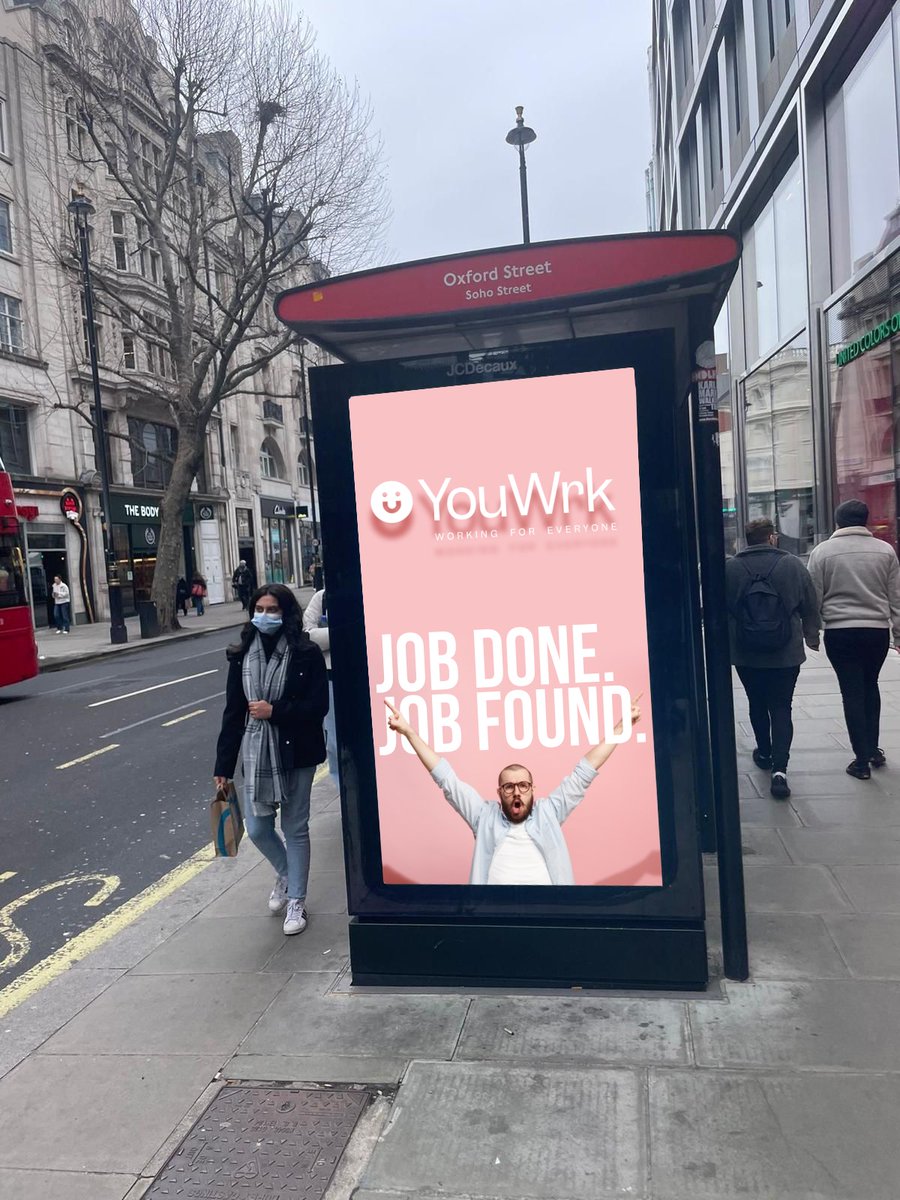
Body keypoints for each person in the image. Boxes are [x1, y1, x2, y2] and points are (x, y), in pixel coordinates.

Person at [384, 696, 641, 885]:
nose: (517, 792)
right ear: (499, 793)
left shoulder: (549, 812)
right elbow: (446, 779)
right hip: (495, 918)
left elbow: (585, 771)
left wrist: (621, 727)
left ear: (532, 789)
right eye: (509, 786)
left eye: (523, 786)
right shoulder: (483, 815)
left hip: (549, 916)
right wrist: (408, 732)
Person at [214, 583, 328, 934]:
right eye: (259, 609)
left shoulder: (305, 652)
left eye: (272, 610)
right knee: (258, 827)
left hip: (298, 752)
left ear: (286, 613)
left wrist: (273, 710)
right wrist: (223, 767)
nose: (264, 616)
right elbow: (233, 712)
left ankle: (297, 901)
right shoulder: (242, 654)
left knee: (294, 828)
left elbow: (317, 707)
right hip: (256, 753)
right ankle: (286, 873)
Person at [725, 517, 820, 800]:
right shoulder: (792, 564)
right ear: (772, 538)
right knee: (782, 706)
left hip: (746, 652)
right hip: (786, 651)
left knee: (757, 702)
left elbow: (722, 607)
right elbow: (810, 603)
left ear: (747, 539)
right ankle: (780, 770)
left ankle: (763, 752)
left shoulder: (731, 568)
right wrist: (811, 635)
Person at [807, 499, 900, 781]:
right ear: (866, 520)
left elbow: (814, 596)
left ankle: (860, 760)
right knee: (870, 686)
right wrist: (897, 632)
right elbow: (896, 597)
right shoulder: (886, 551)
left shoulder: (822, 552)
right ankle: (873, 749)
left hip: (840, 631)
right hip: (875, 632)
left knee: (851, 692)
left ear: (837, 522)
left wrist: (812, 633)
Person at [302, 587, 337, 782]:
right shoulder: (322, 597)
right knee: (333, 741)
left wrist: (326, 635)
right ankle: (342, 788)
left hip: (363, 676)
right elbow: (308, 636)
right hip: (329, 677)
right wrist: (342, 632)